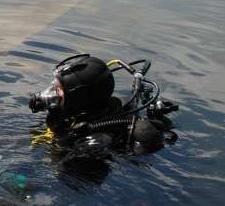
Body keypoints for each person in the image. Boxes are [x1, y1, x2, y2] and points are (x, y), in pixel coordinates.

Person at [28, 54, 178, 162]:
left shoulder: (96, 139)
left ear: (79, 99)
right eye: (54, 86)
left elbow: (58, 163)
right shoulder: (79, 112)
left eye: (59, 90)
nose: (52, 93)